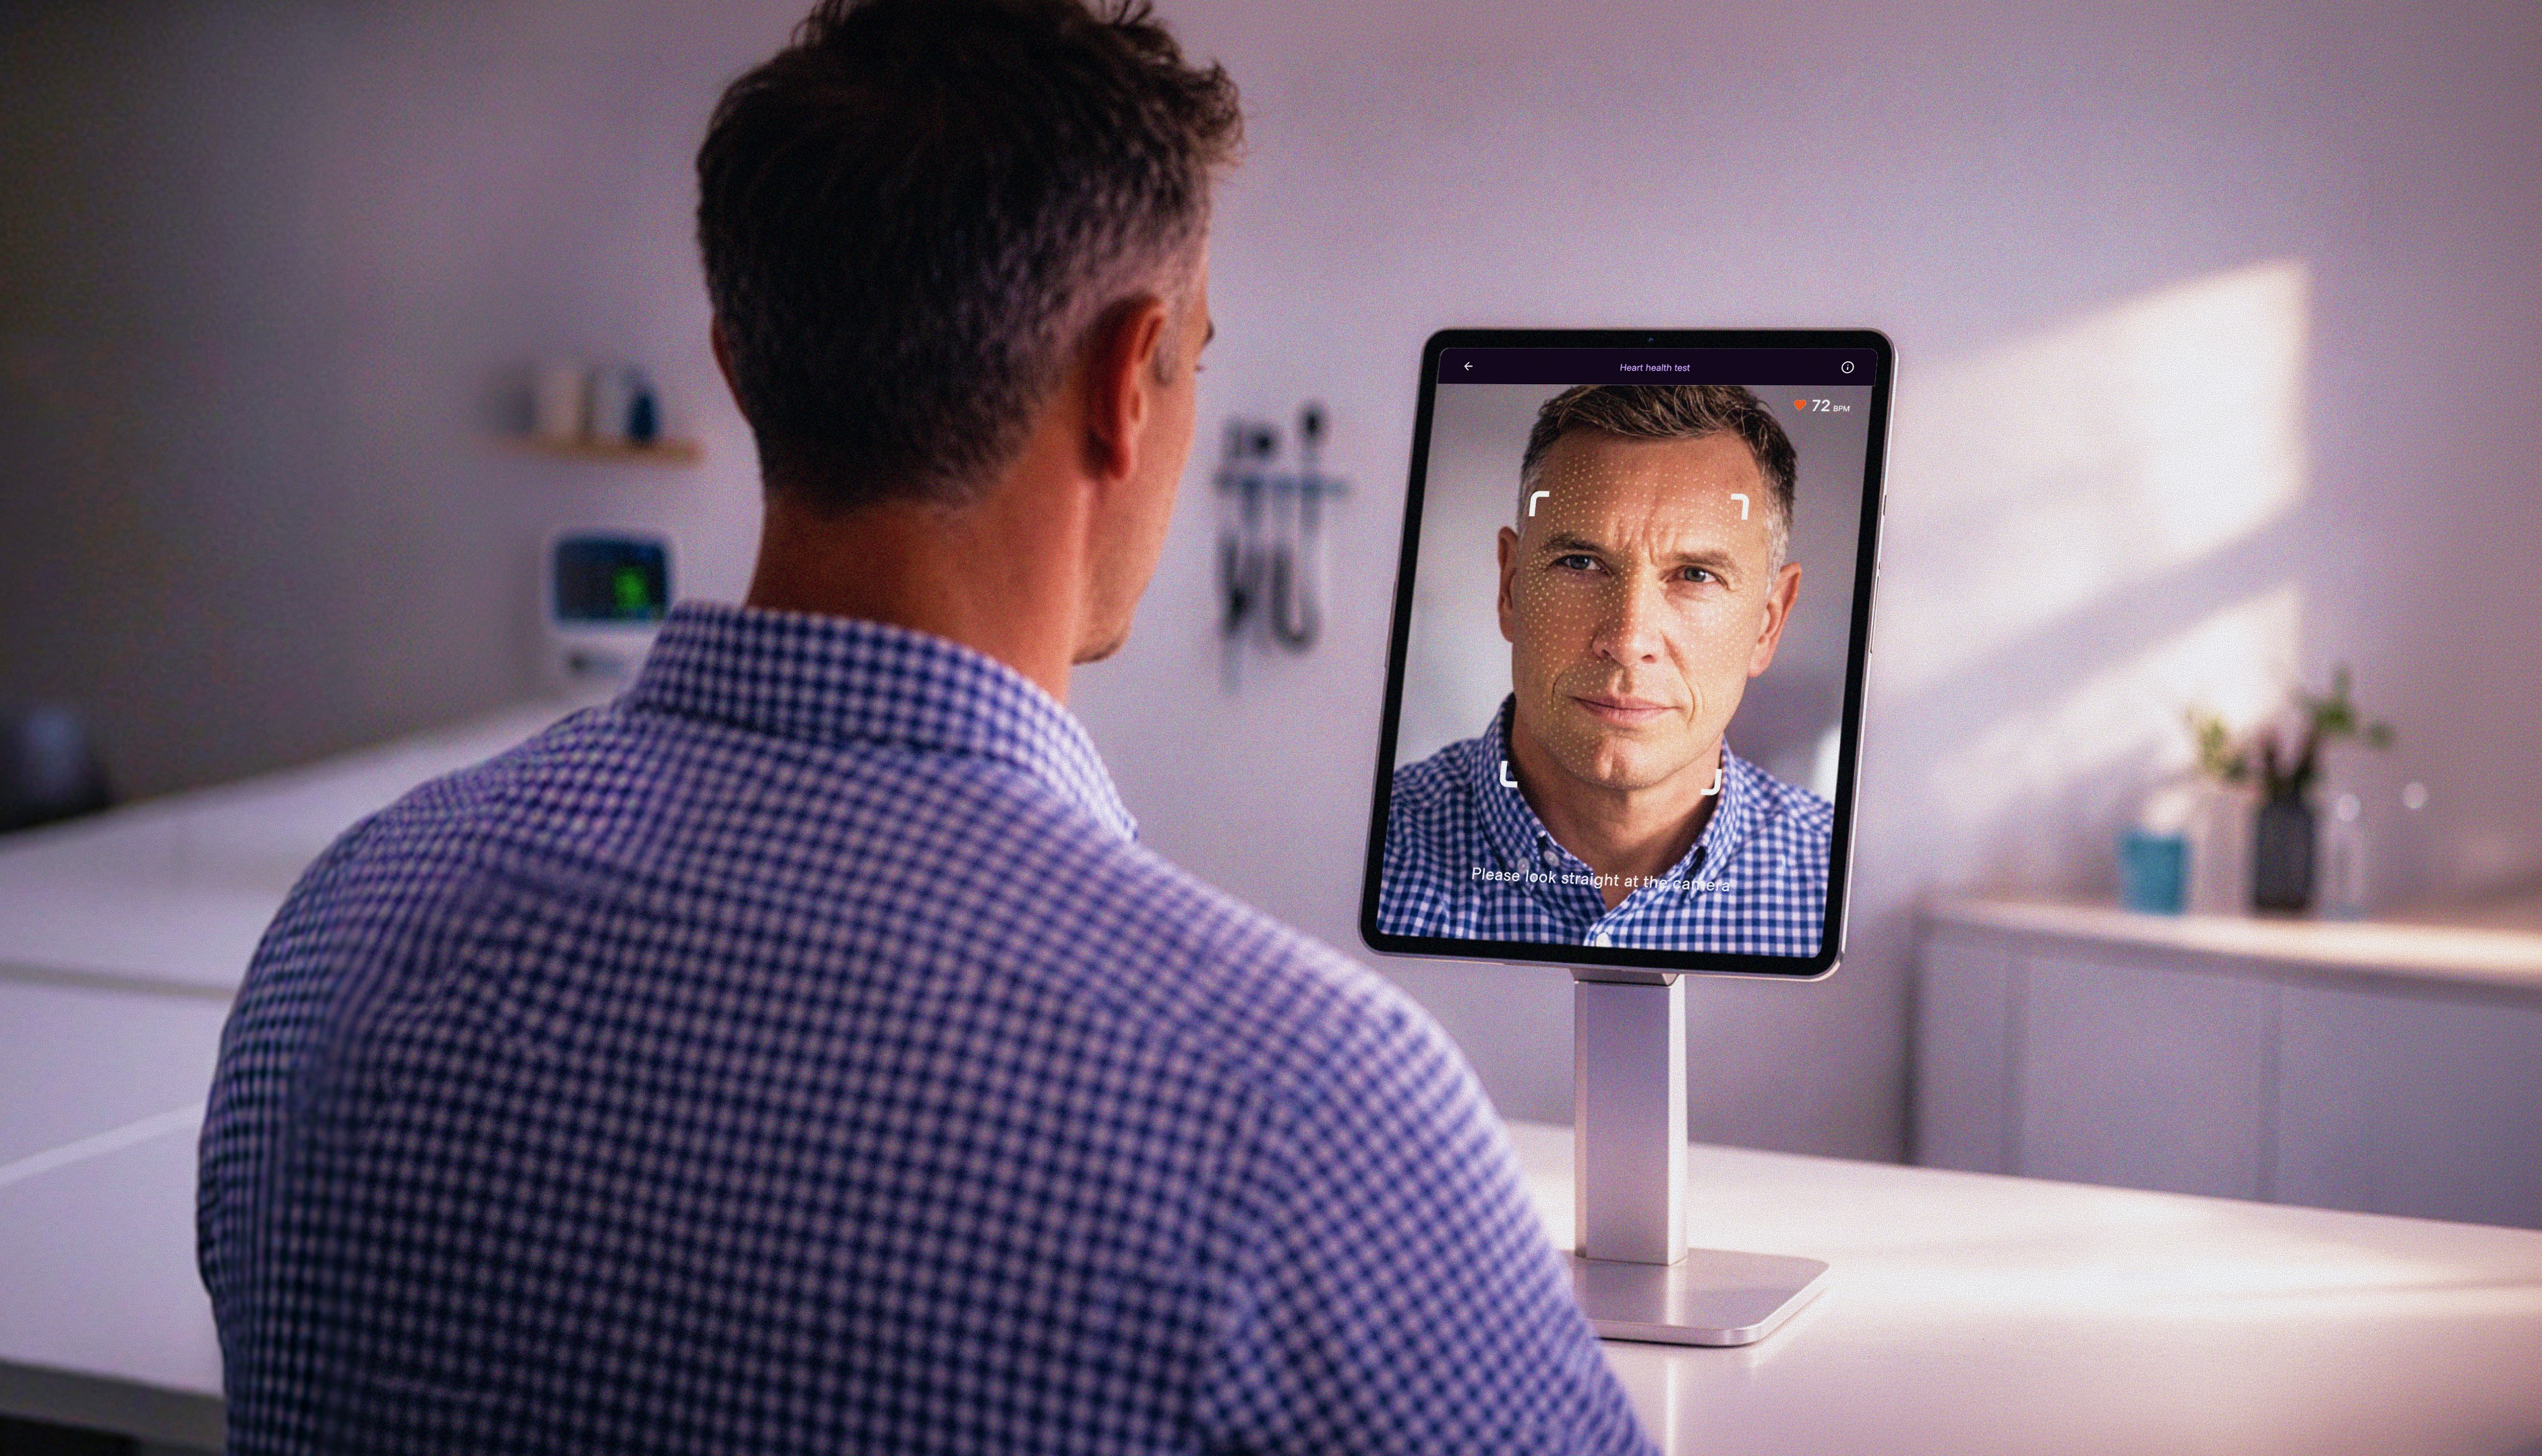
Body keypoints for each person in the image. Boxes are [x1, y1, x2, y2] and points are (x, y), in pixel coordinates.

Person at [196, 1, 1653, 1451]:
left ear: (737, 357)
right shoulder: (1301, 1114)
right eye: (1193, 358)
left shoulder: (339, 935)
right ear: (1121, 385)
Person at [1378, 385, 1835, 955]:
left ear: (1768, 624)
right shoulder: (1353, 857)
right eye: (1581, 562)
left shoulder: (1844, 894)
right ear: (1510, 587)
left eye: (1695, 575)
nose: (1627, 640)